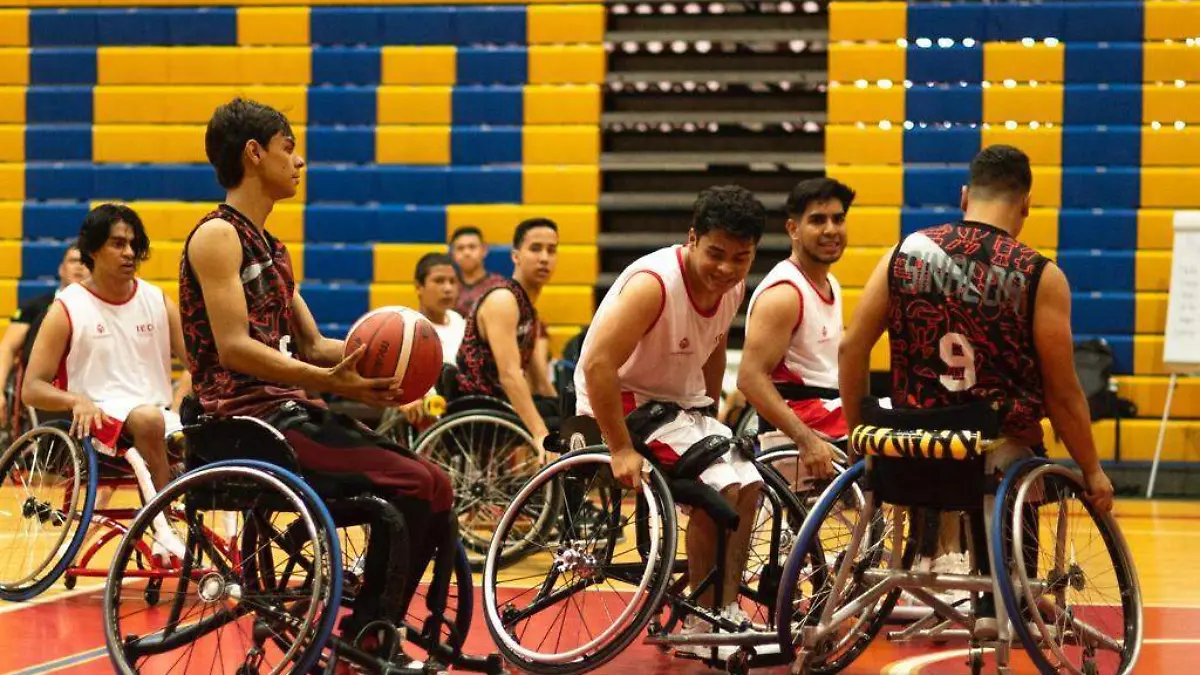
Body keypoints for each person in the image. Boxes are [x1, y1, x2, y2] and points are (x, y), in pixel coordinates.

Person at [180, 97, 453, 647]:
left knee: (438, 485)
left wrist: (383, 364)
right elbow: (234, 349)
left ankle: (381, 622)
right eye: (290, 148)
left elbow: (314, 344)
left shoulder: (274, 249)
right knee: (420, 484)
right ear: (254, 154)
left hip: (289, 413)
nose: (300, 161)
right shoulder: (217, 236)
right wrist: (332, 383)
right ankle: (372, 631)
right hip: (243, 422)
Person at [839, 144, 1116, 637]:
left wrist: (859, 434)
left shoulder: (904, 253)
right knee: (1022, 448)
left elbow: (850, 348)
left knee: (973, 447)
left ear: (965, 196)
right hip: (994, 460)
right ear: (1026, 204)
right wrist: (1092, 470)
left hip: (909, 458)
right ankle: (1012, 595)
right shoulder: (1038, 274)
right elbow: (1063, 393)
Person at [575, 185, 766, 654]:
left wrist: (710, 412)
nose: (726, 268)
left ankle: (725, 609)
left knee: (750, 481)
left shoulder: (733, 287)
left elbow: (715, 346)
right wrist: (619, 447)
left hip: (676, 407)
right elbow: (599, 365)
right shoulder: (654, 284)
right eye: (716, 253)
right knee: (718, 485)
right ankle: (700, 623)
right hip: (621, 402)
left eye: (739, 258)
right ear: (692, 239)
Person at [21, 204, 191, 560]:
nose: (129, 252)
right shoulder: (67, 308)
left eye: (132, 244)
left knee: (206, 423)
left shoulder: (157, 300)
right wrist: (74, 401)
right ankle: (163, 526)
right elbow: (32, 387)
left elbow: (199, 367)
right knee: (148, 419)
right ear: (94, 249)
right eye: (117, 243)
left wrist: (180, 400)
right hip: (96, 419)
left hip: (158, 415)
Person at [738, 178, 854, 483]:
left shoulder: (831, 284)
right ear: (793, 229)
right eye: (817, 220)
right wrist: (806, 440)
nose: (831, 229)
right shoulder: (785, 294)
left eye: (838, 219)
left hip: (828, 409)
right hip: (799, 423)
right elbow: (749, 379)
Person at [455, 218, 559, 450]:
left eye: (551, 250)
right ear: (515, 256)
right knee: (550, 424)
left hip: (502, 405)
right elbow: (510, 375)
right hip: (480, 408)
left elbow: (539, 380)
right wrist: (541, 433)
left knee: (565, 414)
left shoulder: (528, 306)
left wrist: (567, 411)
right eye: (535, 249)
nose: (544, 258)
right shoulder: (503, 299)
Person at [0, 246, 89, 427]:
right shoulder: (35, 306)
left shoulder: (101, 309)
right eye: (73, 261)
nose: (79, 267)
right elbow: (7, 347)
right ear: (61, 268)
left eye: (85, 262)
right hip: (43, 387)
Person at [396, 252, 464, 426]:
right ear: (419, 287)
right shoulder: (408, 327)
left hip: (460, 411)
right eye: (439, 281)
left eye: (452, 281)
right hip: (425, 415)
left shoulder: (460, 321)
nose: (448, 288)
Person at [449, 226, 506, 317]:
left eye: (472, 247)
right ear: (452, 254)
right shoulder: (447, 286)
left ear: (484, 250)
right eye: (460, 248)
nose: (466, 253)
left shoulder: (500, 285)